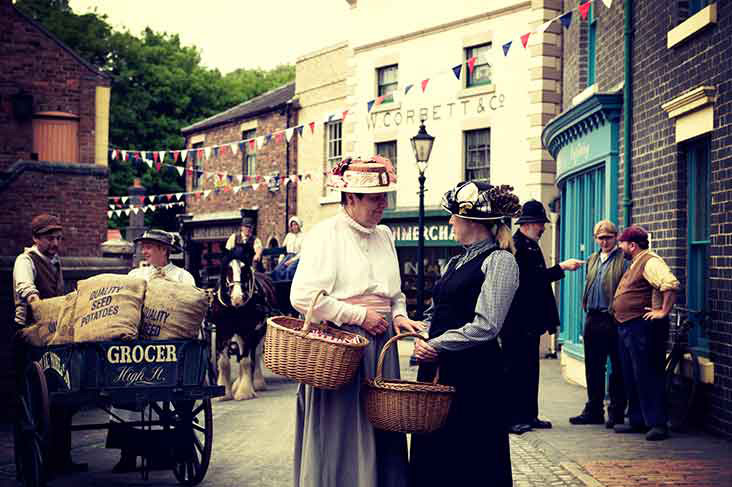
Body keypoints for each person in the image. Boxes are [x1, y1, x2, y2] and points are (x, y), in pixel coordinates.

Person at [289, 156, 422, 487]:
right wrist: (358, 315)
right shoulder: (324, 234)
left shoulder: (386, 235)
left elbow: (395, 294)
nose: (384, 204)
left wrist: (400, 315)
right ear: (350, 198)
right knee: (342, 429)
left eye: (385, 196)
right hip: (341, 351)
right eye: (376, 198)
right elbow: (303, 296)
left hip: (381, 350)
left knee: (383, 423)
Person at [410, 181, 522, 487]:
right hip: (438, 368)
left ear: (472, 221)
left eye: (453, 217)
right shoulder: (456, 260)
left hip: (473, 377)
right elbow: (438, 311)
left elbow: (486, 325)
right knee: (434, 453)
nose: (449, 222)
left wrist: (436, 344)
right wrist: (419, 333)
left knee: (469, 457)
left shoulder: (500, 260)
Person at [109, 229, 195, 472]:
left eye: (149, 246)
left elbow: (189, 312)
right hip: (138, 347)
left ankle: (162, 454)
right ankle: (127, 453)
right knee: (126, 389)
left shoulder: (182, 277)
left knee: (165, 398)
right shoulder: (136, 275)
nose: (144, 251)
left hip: (171, 350)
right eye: (143, 246)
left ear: (164, 250)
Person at [12, 214, 88, 474]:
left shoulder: (55, 262)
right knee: (36, 401)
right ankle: (33, 463)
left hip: (54, 334)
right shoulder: (26, 261)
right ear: (35, 238)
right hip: (30, 334)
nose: (55, 242)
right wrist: (36, 301)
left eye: (58, 238)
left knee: (62, 398)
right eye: (49, 238)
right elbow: (25, 287)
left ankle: (62, 459)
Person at [501, 200, 585, 434]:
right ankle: (512, 418)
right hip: (517, 322)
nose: (544, 228)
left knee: (529, 371)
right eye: (541, 224)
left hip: (529, 322)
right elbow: (528, 282)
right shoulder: (517, 246)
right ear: (531, 224)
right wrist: (562, 268)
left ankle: (529, 415)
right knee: (515, 371)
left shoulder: (531, 245)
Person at [613, 225, 679, 441]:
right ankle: (638, 420)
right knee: (631, 375)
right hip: (627, 326)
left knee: (648, 374)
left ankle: (657, 423)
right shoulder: (635, 262)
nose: (620, 245)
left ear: (632, 245)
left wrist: (662, 311)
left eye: (622, 242)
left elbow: (669, 284)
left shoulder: (650, 261)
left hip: (641, 328)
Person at [570, 220, 628, 428]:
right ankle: (594, 410)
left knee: (617, 368)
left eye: (608, 238)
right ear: (595, 239)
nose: (604, 242)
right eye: (600, 238)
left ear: (616, 237)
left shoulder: (624, 259)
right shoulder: (593, 259)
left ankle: (616, 412)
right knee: (593, 367)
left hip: (613, 319)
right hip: (593, 318)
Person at [271, 215, 304, 281]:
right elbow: (283, 249)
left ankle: (287, 287)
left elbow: (302, 252)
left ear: (299, 225)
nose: (294, 227)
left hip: (297, 258)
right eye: (292, 225)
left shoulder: (303, 236)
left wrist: (292, 260)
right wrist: (280, 260)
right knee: (277, 270)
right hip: (288, 256)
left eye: (295, 225)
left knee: (289, 271)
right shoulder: (289, 236)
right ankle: (279, 286)